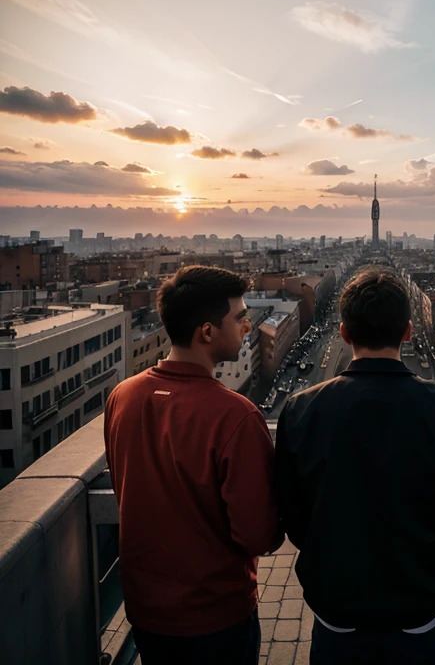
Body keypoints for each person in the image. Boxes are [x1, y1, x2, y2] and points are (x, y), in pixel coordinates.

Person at [276, 268, 435, 665]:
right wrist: (431, 562)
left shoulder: (301, 410)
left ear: (344, 333)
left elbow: (293, 512)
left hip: (338, 610)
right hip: (421, 609)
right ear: (407, 332)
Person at [104, 265, 282, 664]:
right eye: (239, 319)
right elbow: (257, 534)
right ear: (206, 332)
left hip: (146, 613)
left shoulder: (122, 397)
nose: (248, 327)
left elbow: (124, 489)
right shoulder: (235, 416)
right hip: (215, 616)